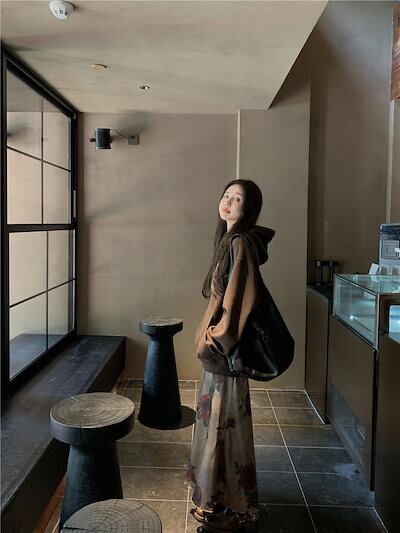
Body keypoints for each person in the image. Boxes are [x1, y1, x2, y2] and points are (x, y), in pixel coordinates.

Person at [185, 179, 275, 532]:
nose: (227, 202)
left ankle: (230, 506)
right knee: (221, 424)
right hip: (221, 351)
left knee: (222, 426)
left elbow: (239, 301)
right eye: (226, 195)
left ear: (248, 208)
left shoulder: (239, 242)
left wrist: (214, 340)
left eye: (237, 198)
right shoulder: (231, 239)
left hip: (224, 351)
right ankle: (220, 498)